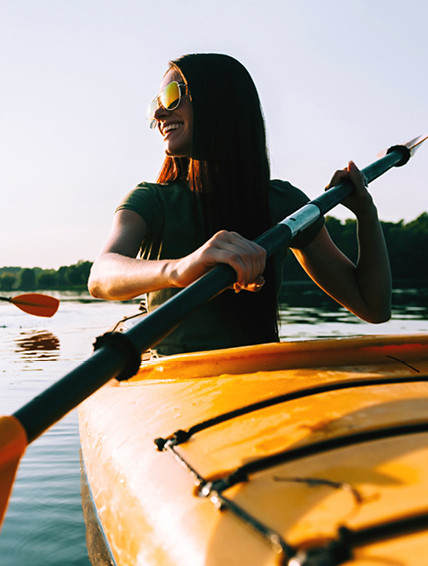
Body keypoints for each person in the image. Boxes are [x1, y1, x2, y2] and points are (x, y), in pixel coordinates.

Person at [88, 53, 391, 355]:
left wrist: (366, 212)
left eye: (172, 97)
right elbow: (100, 277)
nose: (160, 114)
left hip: (258, 376)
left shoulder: (284, 205)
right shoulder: (151, 200)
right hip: (169, 380)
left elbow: (373, 307)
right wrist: (180, 268)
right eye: (157, 104)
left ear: (219, 102)